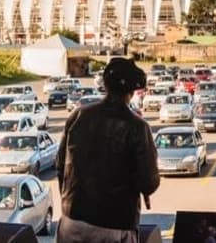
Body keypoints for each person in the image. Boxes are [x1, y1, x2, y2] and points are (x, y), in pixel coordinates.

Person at [57, 57, 160, 243]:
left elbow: (60, 166)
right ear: (132, 90)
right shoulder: (138, 127)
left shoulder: (78, 116)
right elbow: (149, 183)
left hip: (72, 221)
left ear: (105, 84)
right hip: (115, 225)